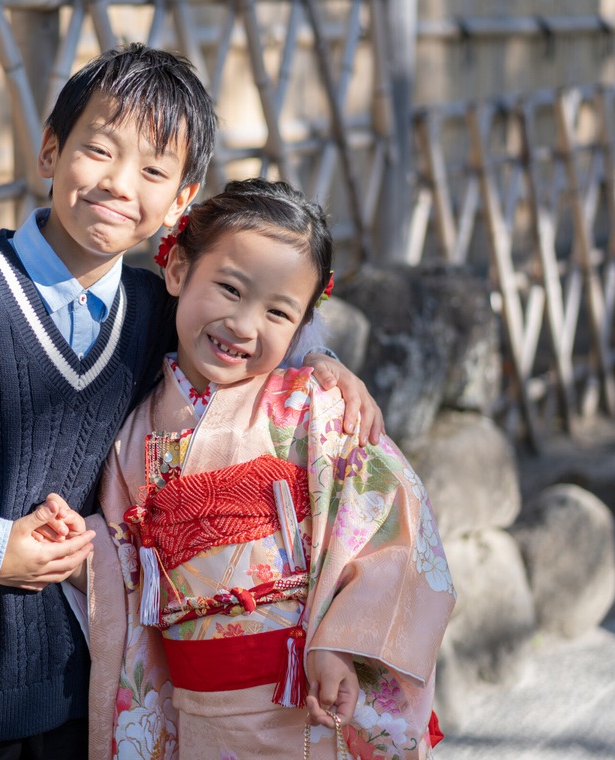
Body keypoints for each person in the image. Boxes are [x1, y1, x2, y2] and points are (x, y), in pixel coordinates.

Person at [0, 45, 381, 759]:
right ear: (51, 152)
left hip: (81, 681)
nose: (119, 184)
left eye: (152, 170)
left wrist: (323, 360)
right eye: (99, 151)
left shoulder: (152, 311)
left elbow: (245, 329)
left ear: (180, 202)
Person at [78, 178, 456, 760]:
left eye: (278, 311)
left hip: (308, 691)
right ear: (177, 271)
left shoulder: (316, 408)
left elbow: (392, 530)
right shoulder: (135, 431)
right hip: (198, 706)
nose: (244, 325)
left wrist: (339, 642)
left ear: (303, 322)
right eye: (229, 288)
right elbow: (129, 565)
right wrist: (81, 545)